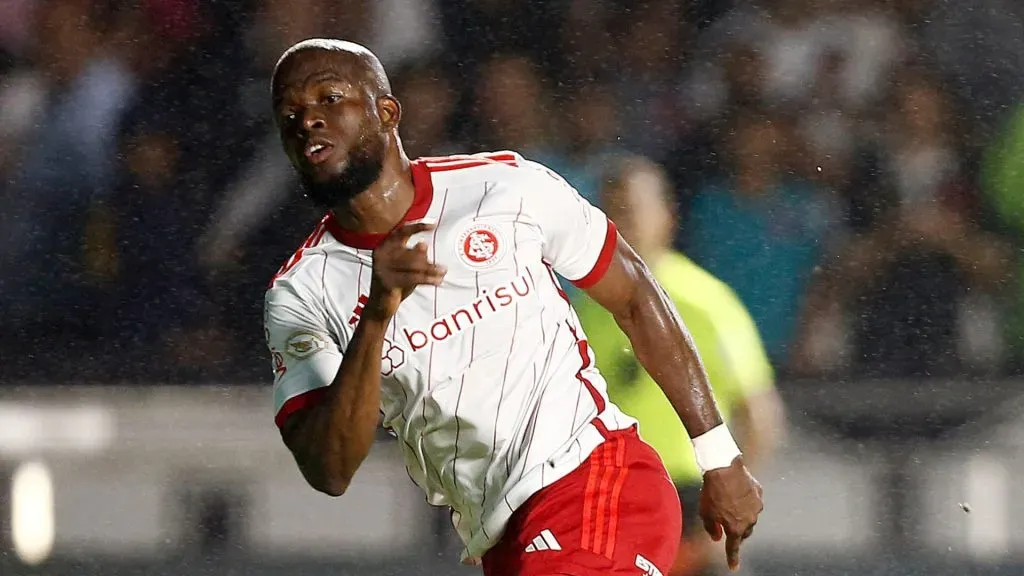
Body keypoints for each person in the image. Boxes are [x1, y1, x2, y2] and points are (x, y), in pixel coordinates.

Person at [263, 39, 763, 575]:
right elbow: (330, 470)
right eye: (290, 113)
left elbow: (637, 296)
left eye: (330, 98)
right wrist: (379, 313)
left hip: (596, 480)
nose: (308, 120)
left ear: (386, 112)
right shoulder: (302, 291)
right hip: (503, 535)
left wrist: (719, 457)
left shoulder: (504, 187)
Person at [575, 156, 784, 576]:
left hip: (689, 499)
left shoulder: (706, 303)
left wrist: (732, 502)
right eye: (611, 212)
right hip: (608, 501)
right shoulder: (584, 308)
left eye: (631, 211)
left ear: (666, 216)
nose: (622, 224)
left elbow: (761, 416)